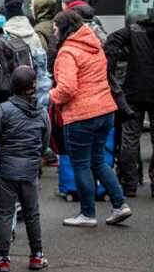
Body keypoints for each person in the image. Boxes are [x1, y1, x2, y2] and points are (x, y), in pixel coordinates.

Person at [50, 11, 132, 227]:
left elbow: (67, 88)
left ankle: (87, 214)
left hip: (81, 115)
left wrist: (51, 96)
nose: (54, 32)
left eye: (56, 27)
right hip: (105, 111)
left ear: (65, 28)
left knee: (80, 164)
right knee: (98, 161)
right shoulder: (94, 45)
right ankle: (119, 204)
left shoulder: (68, 52)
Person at [0, 66, 50, 272]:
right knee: (32, 214)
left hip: (6, 170)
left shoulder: (2, 110)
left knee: (5, 214)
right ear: (33, 86)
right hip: (30, 170)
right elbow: (45, 143)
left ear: (13, 85)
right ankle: (37, 256)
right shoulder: (41, 112)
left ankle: (3, 260)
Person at [105, 14, 154, 197]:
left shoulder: (133, 31)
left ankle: (129, 184)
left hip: (133, 92)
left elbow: (112, 41)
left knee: (130, 140)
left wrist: (110, 67)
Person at [3, 0, 51, 108]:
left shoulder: (3, 35)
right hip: (35, 99)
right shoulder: (34, 35)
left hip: (13, 102)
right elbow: (42, 72)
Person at [30, 0, 58, 73]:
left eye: (33, 7)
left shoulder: (38, 29)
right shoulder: (57, 24)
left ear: (39, 10)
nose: (31, 9)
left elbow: (42, 55)